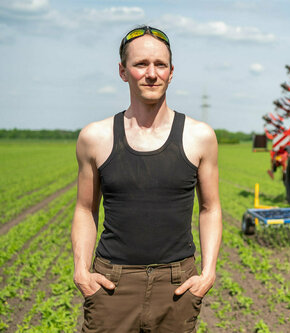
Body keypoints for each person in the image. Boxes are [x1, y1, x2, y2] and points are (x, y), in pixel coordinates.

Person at [71, 25, 222, 332]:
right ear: (123, 71)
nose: (151, 73)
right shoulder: (95, 137)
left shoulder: (199, 136)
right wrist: (81, 272)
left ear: (171, 71)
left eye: (160, 65)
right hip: (112, 285)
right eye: (141, 64)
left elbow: (211, 208)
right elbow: (85, 209)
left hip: (177, 287)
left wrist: (208, 272)